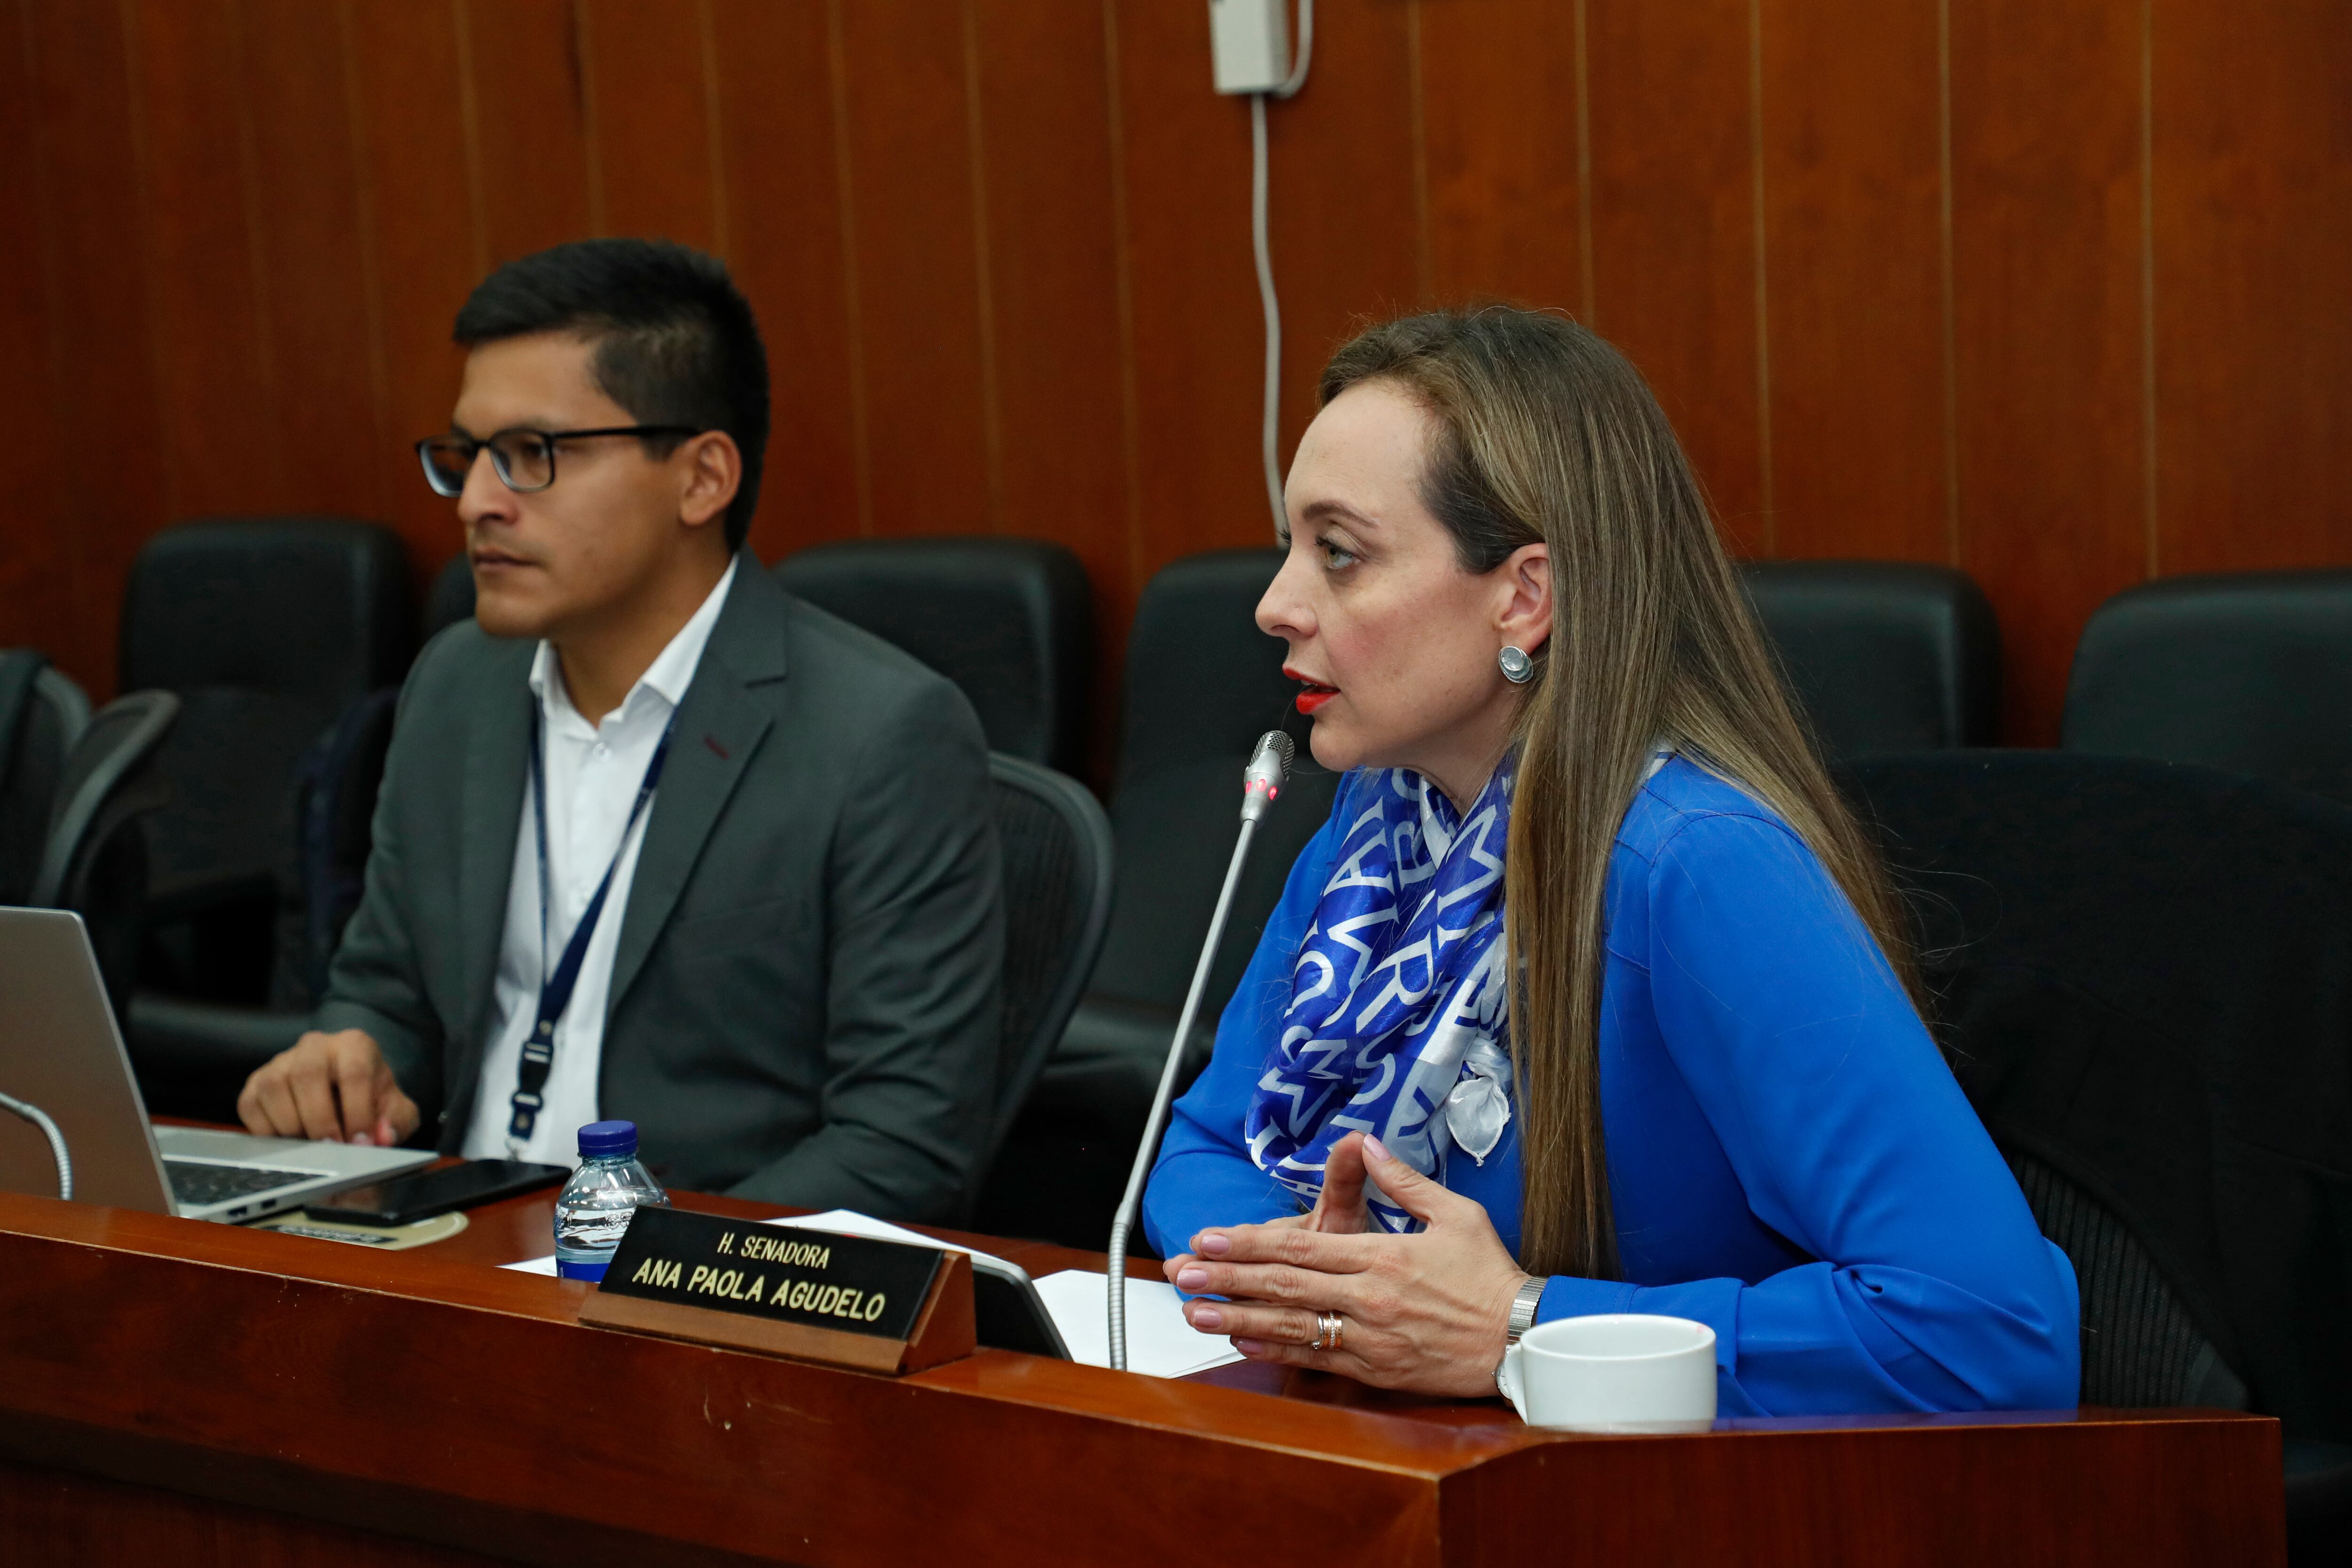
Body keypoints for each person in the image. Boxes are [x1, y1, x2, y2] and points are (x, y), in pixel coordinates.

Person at [1144, 308, 2079, 1415]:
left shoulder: (1697, 866)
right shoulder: (1379, 829)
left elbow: (1988, 1330)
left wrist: (1523, 1325)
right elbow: (1206, 1144)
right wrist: (1325, 1278)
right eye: (1292, 548)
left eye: (1339, 554)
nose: (1275, 605)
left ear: (1523, 597)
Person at [236, 239, 1003, 1222]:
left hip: (694, 1278)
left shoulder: (881, 733)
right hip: (449, 1243)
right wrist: (346, 1062)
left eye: (533, 455)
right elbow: (387, 992)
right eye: (468, 456)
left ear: (702, 478)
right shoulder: (456, 686)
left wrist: (636, 1271)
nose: (479, 503)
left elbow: (902, 1148)